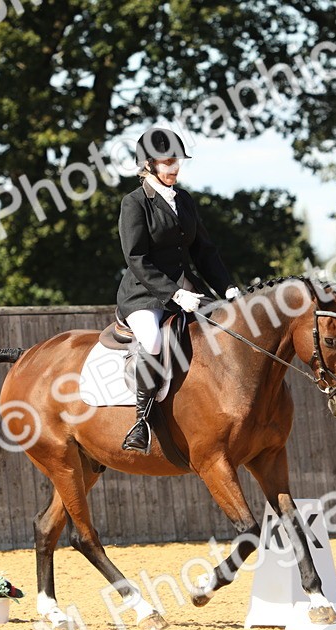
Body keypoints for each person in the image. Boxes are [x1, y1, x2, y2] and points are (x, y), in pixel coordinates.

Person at [116, 127, 241, 454]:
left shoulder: (183, 199)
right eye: (168, 162)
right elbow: (136, 258)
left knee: (226, 327)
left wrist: (227, 288)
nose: (174, 168)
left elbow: (204, 250)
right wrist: (173, 293)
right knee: (154, 339)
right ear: (148, 164)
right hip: (144, 294)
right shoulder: (135, 203)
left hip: (188, 290)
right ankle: (140, 422)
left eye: (177, 161)